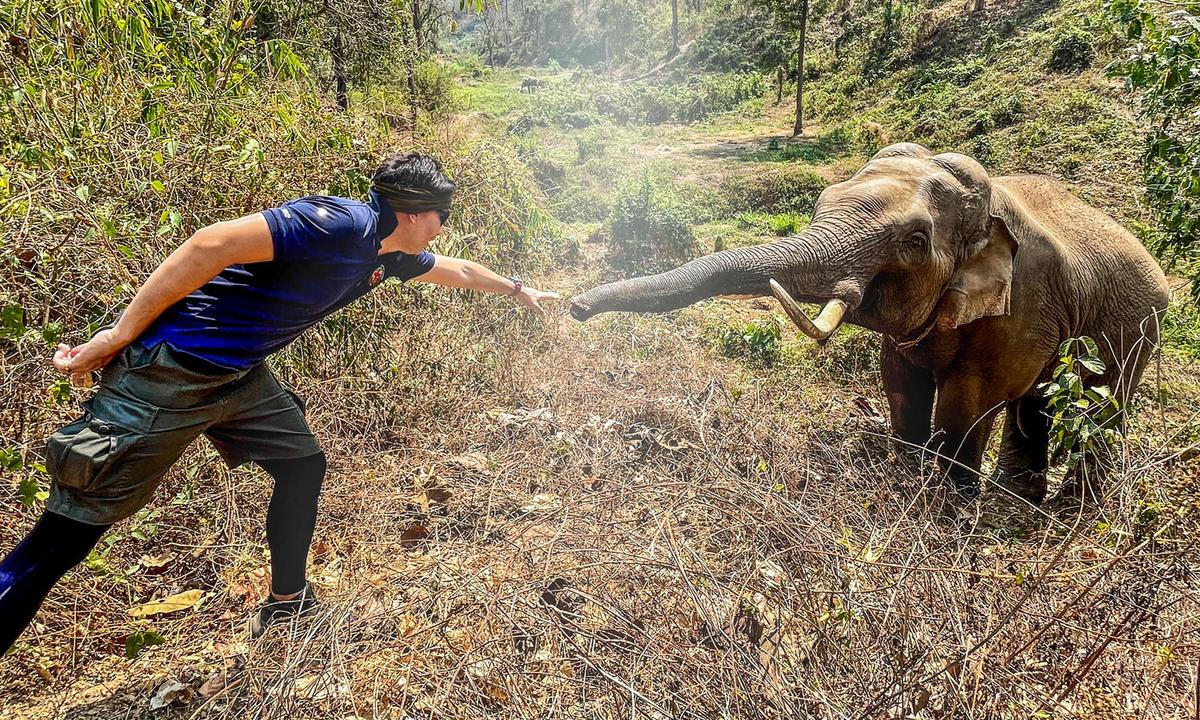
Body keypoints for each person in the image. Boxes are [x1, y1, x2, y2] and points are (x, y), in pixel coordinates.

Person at [0, 152, 558, 653]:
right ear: (414, 212)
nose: (442, 230)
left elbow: (456, 270)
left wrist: (517, 288)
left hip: (238, 378)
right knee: (66, 536)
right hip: (168, 375)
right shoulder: (340, 223)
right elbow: (210, 244)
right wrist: (116, 336)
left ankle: (287, 603)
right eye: (441, 217)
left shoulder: (383, 253)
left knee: (301, 464)